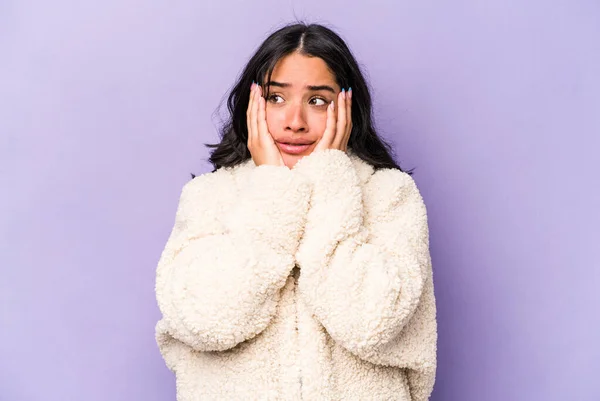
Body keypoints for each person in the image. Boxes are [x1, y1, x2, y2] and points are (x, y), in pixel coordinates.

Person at [154, 22, 437, 401]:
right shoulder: (209, 196)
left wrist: (330, 183)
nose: (295, 121)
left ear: (348, 107)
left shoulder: (390, 195)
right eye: (276, 98)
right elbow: (207, 320)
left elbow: (371, 321)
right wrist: (272, 189)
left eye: (317, 100)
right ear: (253, 103)